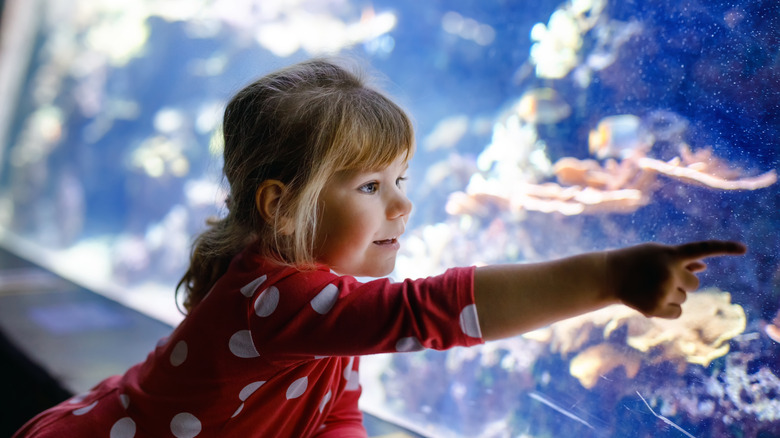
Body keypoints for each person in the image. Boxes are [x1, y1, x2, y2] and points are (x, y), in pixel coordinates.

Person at [14, 58, 746, 438]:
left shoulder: (316, 298)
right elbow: (434, 310)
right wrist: (607, 274)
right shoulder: (284, 296)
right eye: (369, 186)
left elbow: (332, 405)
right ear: (282, 204)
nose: (402, 202)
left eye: (401, 178)